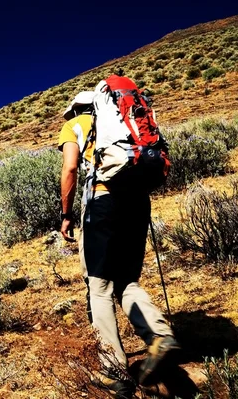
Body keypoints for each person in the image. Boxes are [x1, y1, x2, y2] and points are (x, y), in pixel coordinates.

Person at [59, 91, 179, 398]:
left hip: (103, 203)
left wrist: (66, 214)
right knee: (126, 278)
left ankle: (113, 371)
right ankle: (158, 334)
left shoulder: (76, 124)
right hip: (138, 202)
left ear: (76, 110)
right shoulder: (126, 122)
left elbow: (70, 168)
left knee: (99, 286)